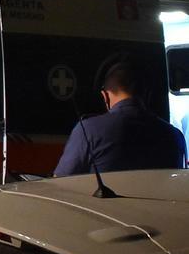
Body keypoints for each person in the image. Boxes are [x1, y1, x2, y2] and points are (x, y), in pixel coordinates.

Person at [54, 60, 187, 176]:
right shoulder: (174, 136)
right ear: (147, 95)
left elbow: (61, 183)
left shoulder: (88, 130)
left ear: (105, 96)